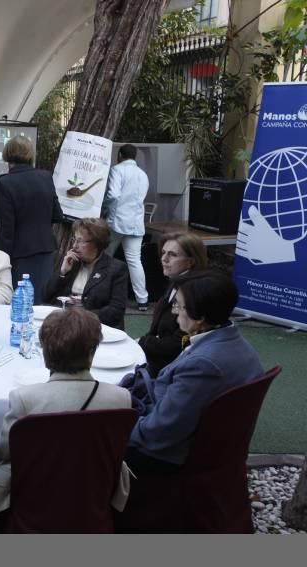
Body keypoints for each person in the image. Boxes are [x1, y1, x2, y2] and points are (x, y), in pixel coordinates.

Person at [0, 307, 132, 513]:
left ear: (45, 352)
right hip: (94, 495)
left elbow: (3, 450)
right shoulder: (120, 397)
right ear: (91, 353)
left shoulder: (25, 398)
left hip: (36, 498)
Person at [125, 271, 263, 473]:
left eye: (179, 306)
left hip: (172, 456)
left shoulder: (203, 365)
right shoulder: (232, 340)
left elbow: (160, 431)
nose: (174, 312)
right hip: (204, 442)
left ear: (200, 317)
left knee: (88, 441)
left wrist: (116, 430)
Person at [0, 135, 63, 296]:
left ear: (7, 154)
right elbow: (57, 214)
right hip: (45, 249)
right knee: (41, 300)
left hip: (18, 254)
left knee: (18, 303)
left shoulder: (5, 183)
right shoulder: (45, 177)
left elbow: (5, 228)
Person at [138, 232, 208, 377]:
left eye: (173, 255)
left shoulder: (192, 293)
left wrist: (143, 342)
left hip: (170, 370)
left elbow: (179, 343)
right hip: (157, 358)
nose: (164, 259)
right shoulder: (175, 280)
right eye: (163, 253)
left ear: (191, 261)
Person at [44, 217, 129, 329]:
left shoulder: (116, 268)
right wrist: (62, 272)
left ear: (97, 243)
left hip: (97, 328)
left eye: (81, 241)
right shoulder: (71, 262)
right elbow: (46, 297)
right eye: (74, 240)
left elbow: (116, 310)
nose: (74, 246)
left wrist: (80, 318)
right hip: (65, 325)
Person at [103, 144, 150, 310]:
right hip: (136, 223)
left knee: (105, 257)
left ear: (120, 155)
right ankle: (142, 300)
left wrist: (106, 210)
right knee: (135, 261)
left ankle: (102, 293)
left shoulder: (117, 170)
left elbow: (113, 195)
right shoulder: (143, 174)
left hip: (117, 222)